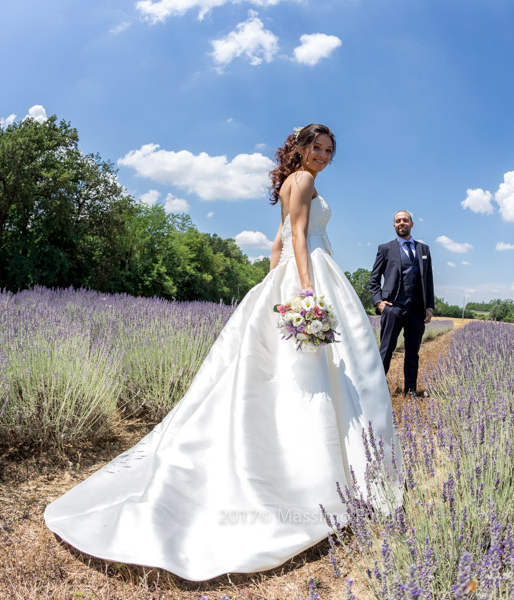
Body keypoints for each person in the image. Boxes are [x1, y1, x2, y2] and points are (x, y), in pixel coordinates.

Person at [44, 124, 401, 581]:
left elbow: (277, 242)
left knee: (281, 372)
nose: (324, 156)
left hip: (292, 275)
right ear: (301, 148)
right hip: (311, 275)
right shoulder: (305, 181)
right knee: (322, 372)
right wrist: (308, 292)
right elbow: (296, 235)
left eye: (330, 151)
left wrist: (275, 284)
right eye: (318, 148)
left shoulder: (291, 183)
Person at [368, 210, 435, 396]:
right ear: (394, 225)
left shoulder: (424, 250)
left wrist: (429, 306)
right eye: (398, 221)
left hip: (416, 310)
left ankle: (411, 390)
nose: (401, 223)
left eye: (405, 220)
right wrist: (379, 302)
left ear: (412, 224)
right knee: (386, 350)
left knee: (412, 353)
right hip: (393, 307)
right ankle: (377, 391)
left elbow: (428, 280)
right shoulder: (385, 249)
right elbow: (373, 280)